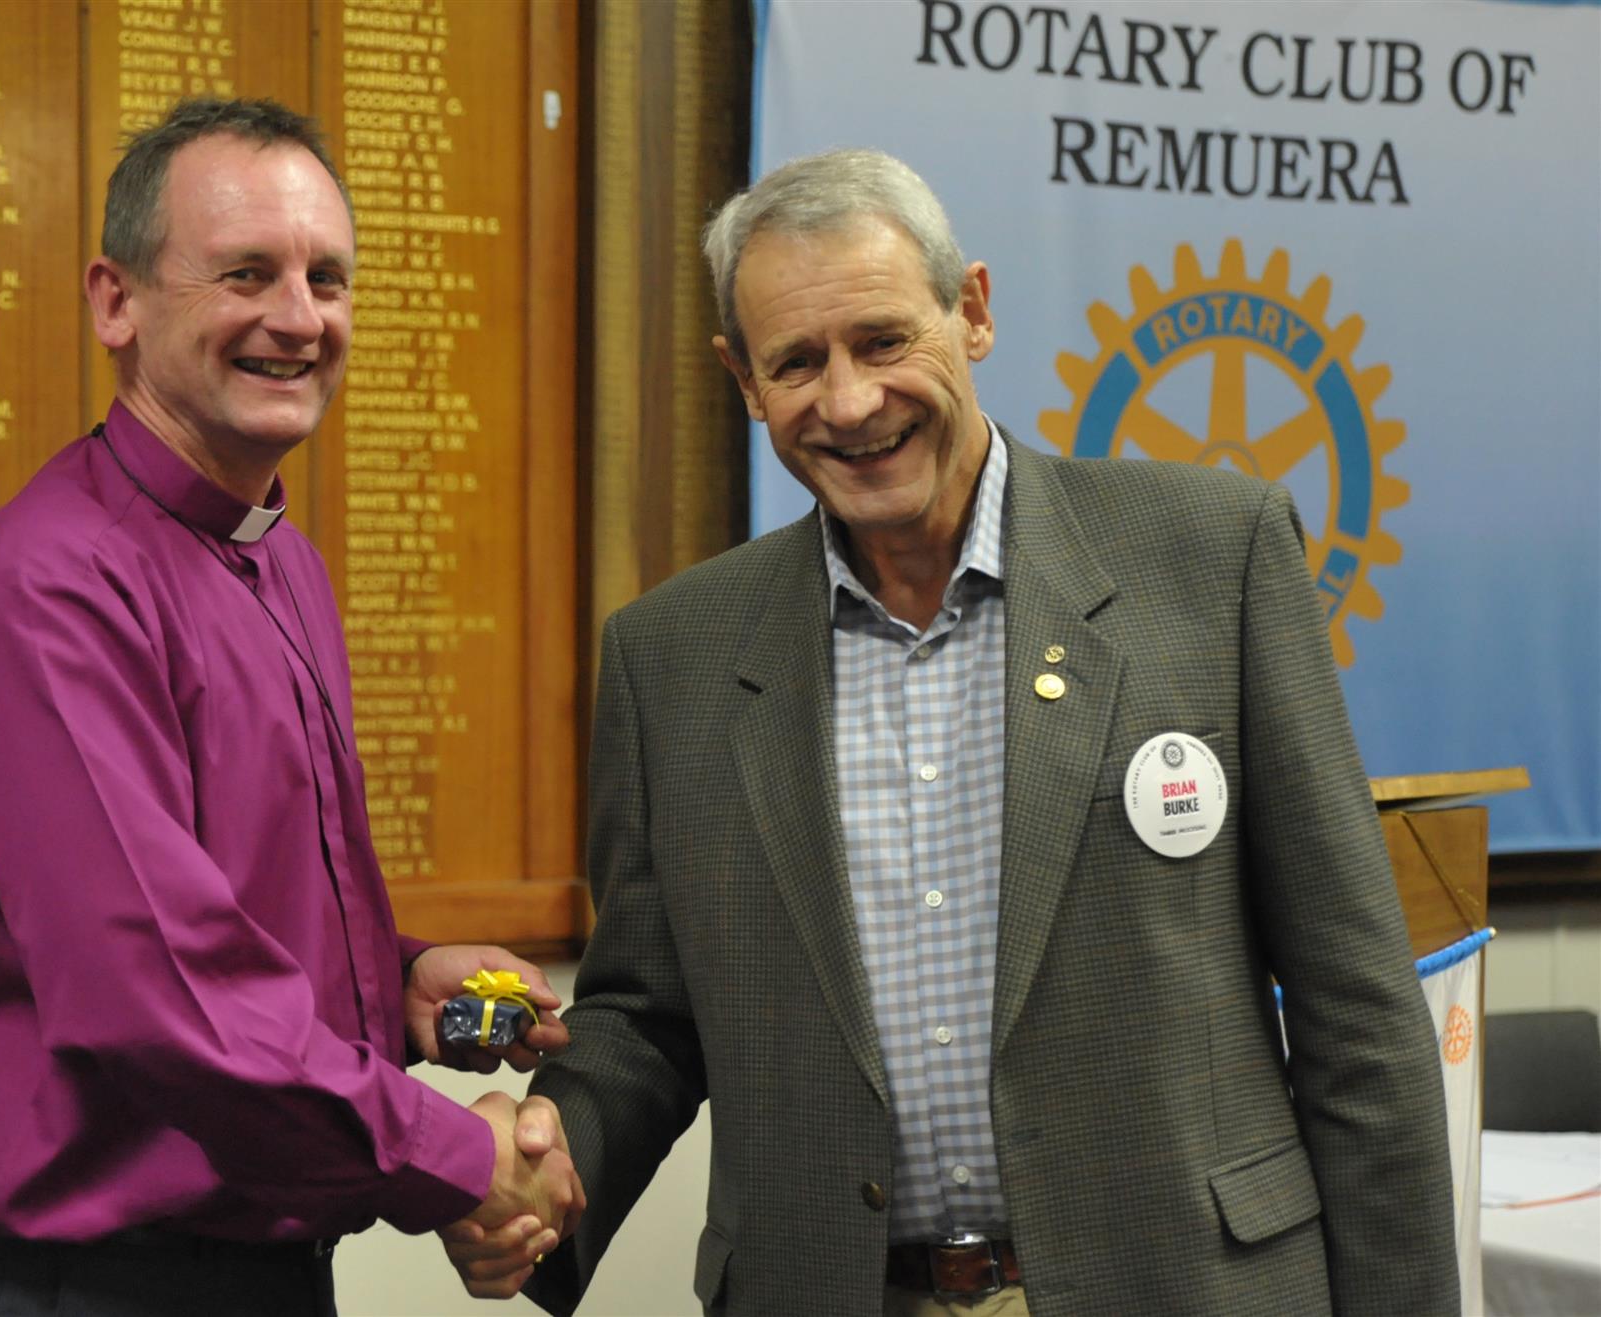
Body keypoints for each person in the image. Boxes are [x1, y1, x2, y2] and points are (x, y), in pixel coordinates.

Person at [442, 148, 1457, 1316]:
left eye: (883, 341)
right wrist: (547, 1160)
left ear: (970, 311)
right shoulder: (671, 658)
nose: (849, 403)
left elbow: (1355, 1009)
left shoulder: (1210, 559)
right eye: (796, 362)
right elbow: (647, 1016)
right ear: (743, 379)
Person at [0, 98, 579, 1317]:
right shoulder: (48, 591)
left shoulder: (278, 559)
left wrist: (396, 986)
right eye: (246, 273)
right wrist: (457, 1161)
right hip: (77, 1293)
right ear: (116, 302)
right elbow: (154, 992)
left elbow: (217, 912)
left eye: (327, 278)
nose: (300, 318)